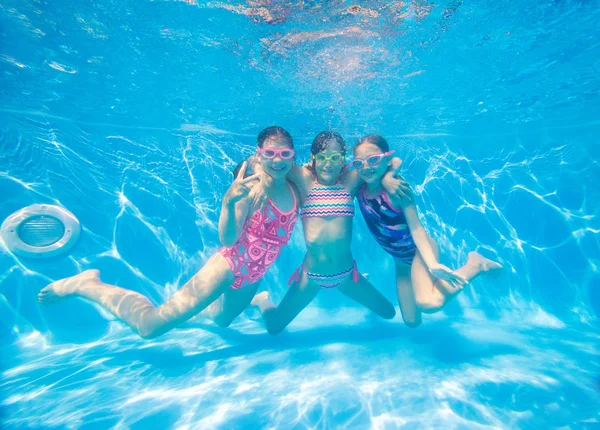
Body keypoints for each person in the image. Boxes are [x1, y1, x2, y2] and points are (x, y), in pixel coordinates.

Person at [38, 126, 300, 339]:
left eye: (284, 154)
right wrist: (228, 202)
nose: (277, 160)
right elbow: (228, 239)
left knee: (222, 321)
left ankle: (233, 303)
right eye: (270, 153)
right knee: (149, 327)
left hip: (254, 274)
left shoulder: (294, 187)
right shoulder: (251, 187)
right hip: (230, 265)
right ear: (259, 154)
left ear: (292, 155)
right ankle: (87, 284)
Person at [251, 131, 407, 334]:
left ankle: (363, 280)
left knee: (388, 312)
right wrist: (260, 173)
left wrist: (387, 179)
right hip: (311, 276)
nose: (329, 164)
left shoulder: (350, 181)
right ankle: (263, 301)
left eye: (335, 158)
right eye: (322, 157)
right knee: (274, 327)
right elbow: (259, 161)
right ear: (312, 159)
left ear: (343, 161)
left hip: (347, 275)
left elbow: (390, 160)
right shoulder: (304, 179)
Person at [352, 134, 502, 327]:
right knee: (412, 321)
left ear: (386, 159)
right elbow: (394, 160)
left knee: (429, 303)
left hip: (419, 251)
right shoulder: (360, 188)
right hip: (400, 260)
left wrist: (431, 264)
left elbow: (416, 228)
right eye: (359, 163)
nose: (366, 167)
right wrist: (387, 173)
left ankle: (476, 264)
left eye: (373, 160)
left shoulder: (397, 189)